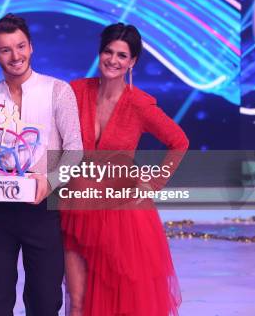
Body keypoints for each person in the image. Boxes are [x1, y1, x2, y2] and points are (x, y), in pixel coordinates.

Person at [60, 23, 189, 316]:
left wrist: (152, 184)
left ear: (132, 62)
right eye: (108, 51)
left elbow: (179, 142)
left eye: (122, 55)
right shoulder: (76, 91)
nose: (113, 60)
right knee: (77, 300)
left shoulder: (139, 105)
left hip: (122, 216)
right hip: (76, 210)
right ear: (100, 52)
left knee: (120, 300)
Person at [0, 14, 83, 315]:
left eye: (20, 46)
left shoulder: (58, 90)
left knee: (45, 300)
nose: (15, 56)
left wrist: (49, 181)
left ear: (31, 47)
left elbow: (75, 150)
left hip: (44, 206)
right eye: (5, 50)